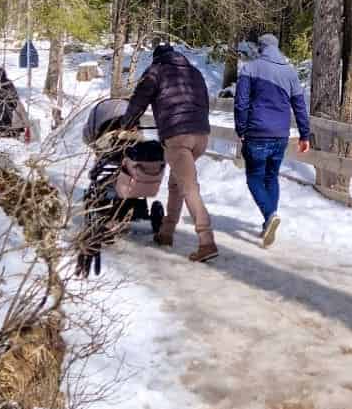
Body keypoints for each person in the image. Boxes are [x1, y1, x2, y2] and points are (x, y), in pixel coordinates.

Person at [120, 44, 216, 262]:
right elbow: (203, 102)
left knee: (189, 188)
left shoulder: (156, 70)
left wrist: (127, 123)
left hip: (177, 136)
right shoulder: (194, 71)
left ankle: (206, 241)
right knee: (177, 184)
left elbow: (139, 100)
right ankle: (166, 233)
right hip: (201, 136)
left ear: (157, 57)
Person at [234, 34, 310, 249]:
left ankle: (270, 215)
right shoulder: (290, 72)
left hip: (257, 133)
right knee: (271, 177)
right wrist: (305, 135)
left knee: (254, 178)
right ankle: (269, 220)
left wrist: (241, 129)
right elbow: (300, 106)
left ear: (260, 48)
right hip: (280, 135)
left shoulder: (250, 68)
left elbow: (241, 103)